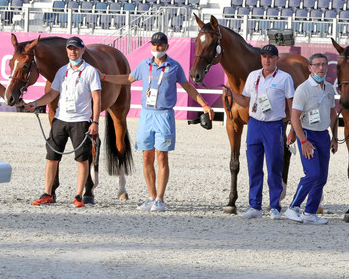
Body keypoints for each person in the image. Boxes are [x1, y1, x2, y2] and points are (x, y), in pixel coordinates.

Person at [102, 32, 214, 212]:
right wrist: (106, 77)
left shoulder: (174, 66)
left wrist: (204, 104)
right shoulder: (144, 64)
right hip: (146, 115)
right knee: (147, 157)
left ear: (166, 46)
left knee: (162, 157)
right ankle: (151, 196)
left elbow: (188, 87)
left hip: (164, 115)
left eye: (160, 45)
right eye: (154, 45)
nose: (157, 48)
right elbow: (127, 79)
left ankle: (160, 199)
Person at [27, 36, 101, 208]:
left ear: (82, 50)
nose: (73, 52)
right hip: (61, 119)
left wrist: (95, 122)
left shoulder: (90, 71)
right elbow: (52, 94)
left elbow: (97, 99)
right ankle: (47, 193)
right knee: (51, 157)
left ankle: (79, 195)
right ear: (66, 51)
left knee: (82, 159)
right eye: (70, 49)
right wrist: (36, 103)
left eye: (76, 49)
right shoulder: (62, 71)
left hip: (81, 120)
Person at [223, 44, 295, 220]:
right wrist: (232, 94)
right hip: (254, 124)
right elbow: (246, 100)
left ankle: (275, 206)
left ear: (277, 59)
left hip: (274, 125)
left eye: (270, 57)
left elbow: (292, 105)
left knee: (274, 167)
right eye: (264, 56)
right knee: (254, 166)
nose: (267, 60)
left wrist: (293, 127)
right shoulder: (253, 76)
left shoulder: (285, 78)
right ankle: (254, 205)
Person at [284, 53, 338, 225]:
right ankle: (293, 207)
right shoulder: (303, 89)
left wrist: (335, 137)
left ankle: (310, 212)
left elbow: (332, 114)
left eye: (323, 64)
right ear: (310, 67)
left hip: (323, 135)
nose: (320, 68)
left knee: (322, 177)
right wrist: (303, 141)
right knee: (312, 173)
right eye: (317, 65)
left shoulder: (329, 88)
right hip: (307, 134)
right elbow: (294, 117)